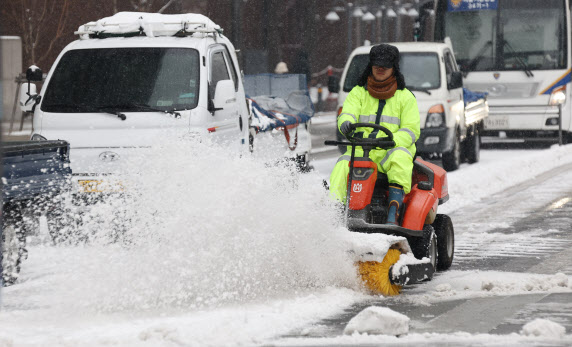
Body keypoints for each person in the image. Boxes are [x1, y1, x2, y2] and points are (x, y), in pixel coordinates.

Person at [329, 44, 420, 225]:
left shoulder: (406, 97)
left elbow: (411, 130)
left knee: (400, 159)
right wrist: (345, 123)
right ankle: (334, 214)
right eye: (377, 65)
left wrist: (389, 140)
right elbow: (347, 113)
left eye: (385, 66)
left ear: (394, 67)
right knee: (342, 165)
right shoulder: (358, 93)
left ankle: (393, 213)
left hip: (390, 151)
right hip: (362, 151)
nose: (380, 69)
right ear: (370, 65)